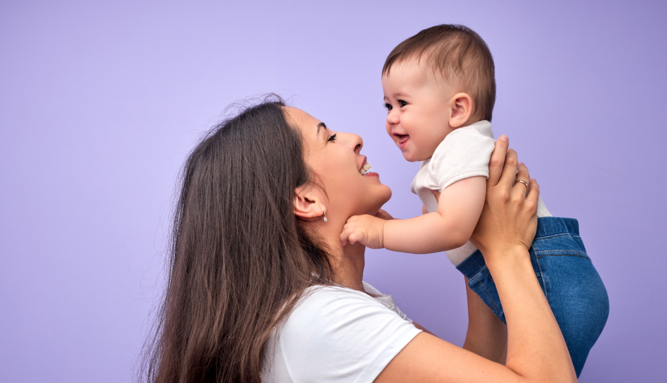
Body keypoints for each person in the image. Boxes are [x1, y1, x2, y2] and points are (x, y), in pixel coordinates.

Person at [141, 95, 578, 382]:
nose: (354, 138)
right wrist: (507, 250)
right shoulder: (325, 321)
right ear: (307, 199)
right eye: (328, 137)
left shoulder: (343, 305)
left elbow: (479, 367)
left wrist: (472, 241)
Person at [340, 24, 609, 376]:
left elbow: (453, 228)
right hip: (545, 279)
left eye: (403, 103)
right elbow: (459, 232)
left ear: (457, 110)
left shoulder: (462, 146)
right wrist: (401, 227)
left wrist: (381, 234)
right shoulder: (446, 156)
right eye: (388, 104)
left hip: (553, 279)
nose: (391, 118)